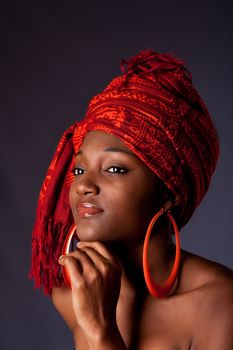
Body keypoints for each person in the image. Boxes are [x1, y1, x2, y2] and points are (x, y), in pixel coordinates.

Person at [30, 49, 233, 349]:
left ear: (169, 194)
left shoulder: (219, 303)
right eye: (80, 168)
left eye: (115, 169)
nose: (84, 184)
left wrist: (103, 334)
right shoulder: (74, 295)